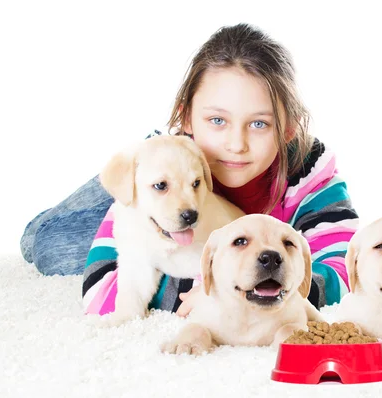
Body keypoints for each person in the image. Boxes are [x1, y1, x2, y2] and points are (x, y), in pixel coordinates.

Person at [20, 22, 359, 317]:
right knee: (45, 243)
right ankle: (40, 225)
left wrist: (233, 290)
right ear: (186, 119)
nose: (236, 144)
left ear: (287, 129)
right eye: (217, 120)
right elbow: (103, 284)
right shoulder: (155, 177)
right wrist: (214, 287)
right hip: (155, 172)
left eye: (259, 124)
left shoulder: (309, 174)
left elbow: (347, 274)